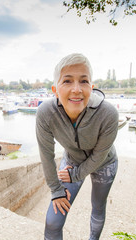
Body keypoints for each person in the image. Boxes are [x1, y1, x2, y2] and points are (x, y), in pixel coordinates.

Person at [36, 53, 119, 240]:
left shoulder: (108, 114)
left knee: (98, 207)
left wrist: (75, 175)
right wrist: (56, 190)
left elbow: (99, 155)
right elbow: (46, 155)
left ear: (91, 87)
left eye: (83, 81)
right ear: (55, 89)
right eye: (67, 81)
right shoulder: (46, 113)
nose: (76, 89)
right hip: (72, 161)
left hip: (104, 163)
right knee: (53, 221)